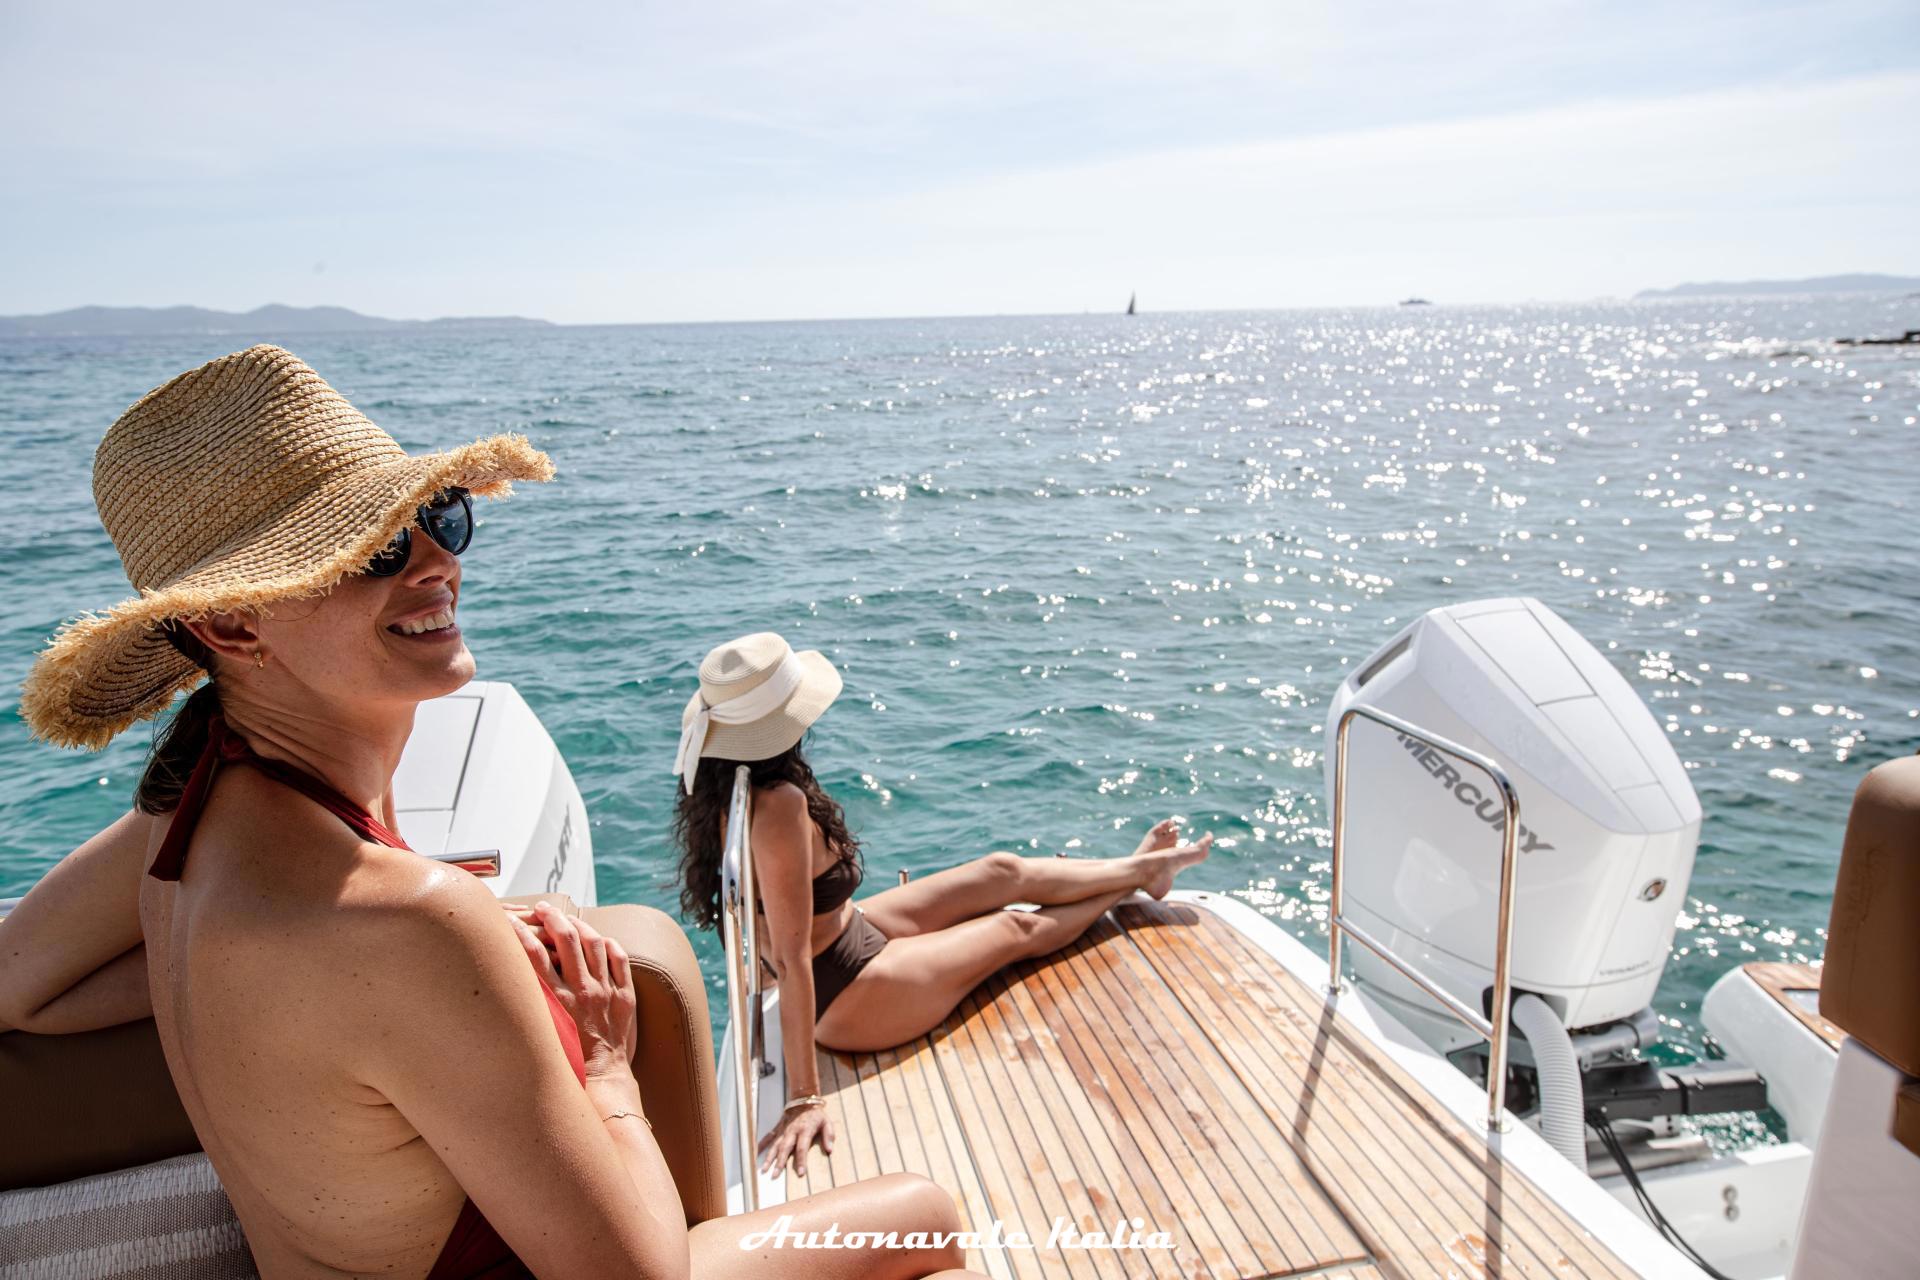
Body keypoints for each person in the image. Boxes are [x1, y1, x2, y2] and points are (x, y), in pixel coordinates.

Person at [0, 345, 983, 1280]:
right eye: (377, 547)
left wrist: (291, 981)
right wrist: (608, 1072)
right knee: (927, 1209)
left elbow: (21, 989)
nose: (437, 561)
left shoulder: (182, 821)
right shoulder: (409, 926)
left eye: (439, 516)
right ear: (230, 623)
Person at [670, 632, 1213, 1181]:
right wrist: (803, 1097)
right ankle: (1139, 876)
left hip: (849, 931)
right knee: (1014, 929)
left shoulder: (724, 787)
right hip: (842, 992)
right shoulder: (778, 804)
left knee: (1002, 871)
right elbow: (790, 961)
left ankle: (1136, 869)